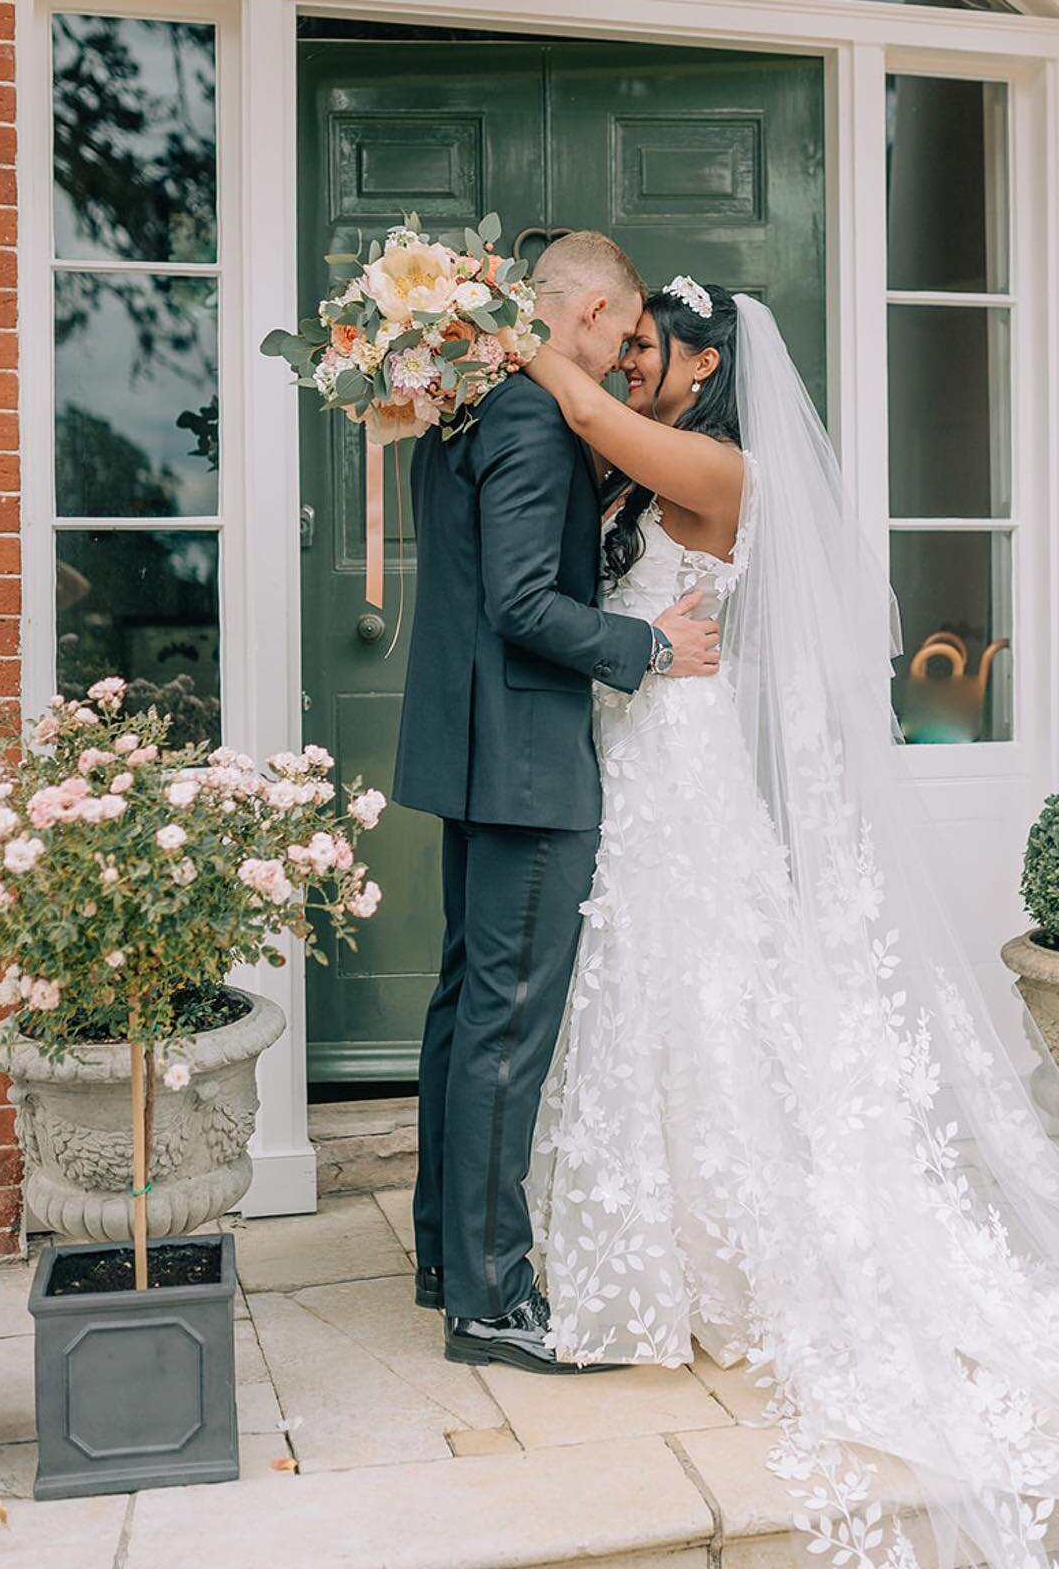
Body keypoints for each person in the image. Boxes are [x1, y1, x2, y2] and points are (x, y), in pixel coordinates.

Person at [522, 277, 1059, 1567]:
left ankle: (742, 1258)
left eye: (654, 347)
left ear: (709, 365)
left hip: (685, 764)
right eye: (632, 348)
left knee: (704, 984)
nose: (636, 364)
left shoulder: (717, 467)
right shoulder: (641, 479)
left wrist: (521, 347)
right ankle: (668, 1252)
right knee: (652, 988)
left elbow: (596, 422)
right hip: (640, 749)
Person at [392, 232, 720, 1376]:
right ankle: (488, 1301)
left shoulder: (463, 408)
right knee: (503, 1028)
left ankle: (443, 1253)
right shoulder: (532, 421)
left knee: (461, 1010)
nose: (629, 352)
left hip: (471, 748)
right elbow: (527, 601)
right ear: (584, 314)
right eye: (623, 333)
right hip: (528, 762)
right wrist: (649, 646)